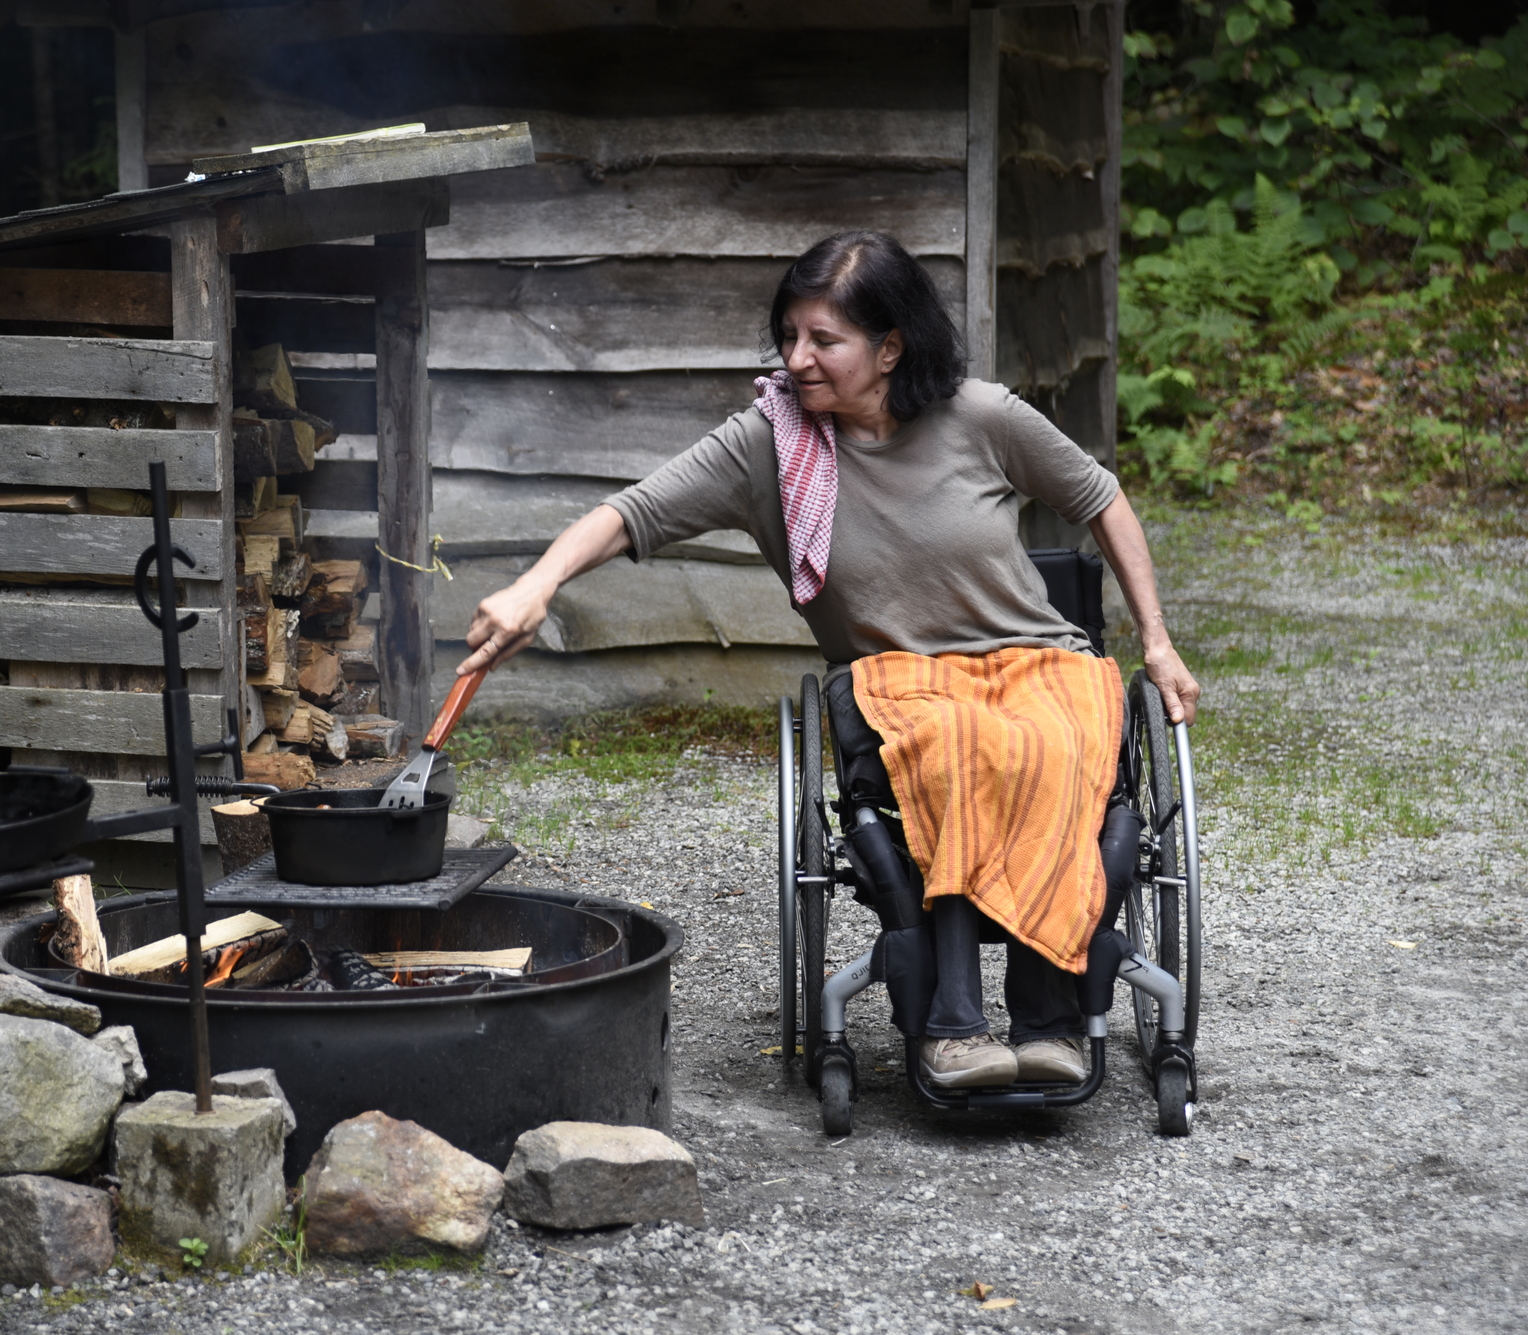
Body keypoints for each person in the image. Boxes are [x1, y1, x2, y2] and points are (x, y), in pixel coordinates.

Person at [458, 230, 1200, 1089]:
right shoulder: (769, 446)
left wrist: (1157, 639)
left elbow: (1101, 497)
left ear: (891, 348)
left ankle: (1050, 1017)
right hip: (899, 682)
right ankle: (954, 1028)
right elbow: (634, 512)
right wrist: (536, 584)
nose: (796, 360)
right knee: (960, 744)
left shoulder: (982, 416)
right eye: (789, 337)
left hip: (1036, 662)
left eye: (823, 340)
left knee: (1053, 748)